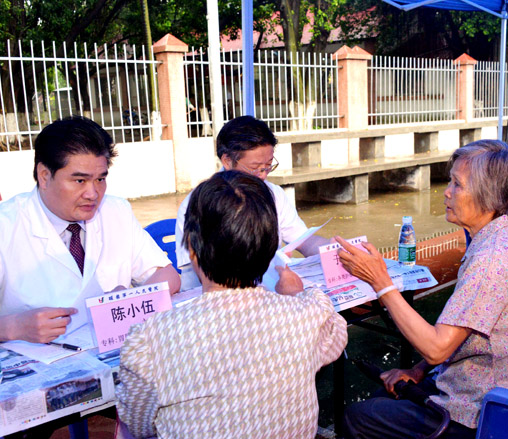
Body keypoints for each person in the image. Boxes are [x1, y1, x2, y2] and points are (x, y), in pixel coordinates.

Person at [336, 140, 508, 439]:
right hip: (489, 390)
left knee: (357, 418)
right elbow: (458, 336)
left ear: (488, 196)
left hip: (488, 413)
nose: (447, 191)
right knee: (383, 393)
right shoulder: (505, 238)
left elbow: (437, 348)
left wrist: (381, 282)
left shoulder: (493, 258)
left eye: (457, 184)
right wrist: (418, 370)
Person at [116, 170, 347, 439]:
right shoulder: (309, 315)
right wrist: (297, 294)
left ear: (191, 248)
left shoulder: (150, 338)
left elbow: (139, 424)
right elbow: (336, 339)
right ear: (271, 246)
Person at [0, 116, 180, 344]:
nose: (93, 194)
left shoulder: (116, 211)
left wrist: (129, 300)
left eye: (100, 179)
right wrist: (12, 327)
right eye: (80, 181)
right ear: (44, 176)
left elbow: (168, 276)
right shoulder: (6, 225)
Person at [175, 115, 329, 291]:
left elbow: (303, 240)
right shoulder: (197, 204)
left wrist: (333, 250)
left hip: (269, 291)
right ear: (227, 161)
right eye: (255, 168)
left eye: (268, 166)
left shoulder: (274, 194)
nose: (263, 175)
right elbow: (198, 274)